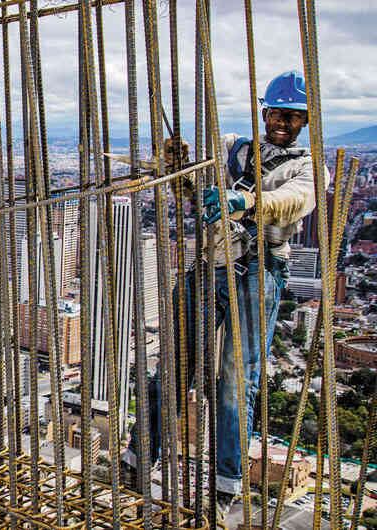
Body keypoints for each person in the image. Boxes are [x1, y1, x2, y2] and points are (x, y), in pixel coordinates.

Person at [121, 71, 328, 520]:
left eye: (292, 117)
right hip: (210, 265)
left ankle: (223, 486)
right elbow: (191, 191)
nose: (282, 122)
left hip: (258, 272)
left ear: (304, 122)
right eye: (277, 113)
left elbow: (296, 201)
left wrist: (247, 202)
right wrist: (176, 166)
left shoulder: (309, 165)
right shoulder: (235, 147)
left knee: (236, 384)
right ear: (265, 111)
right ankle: (137, 462)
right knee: (171, 371)